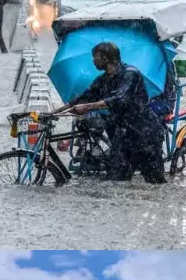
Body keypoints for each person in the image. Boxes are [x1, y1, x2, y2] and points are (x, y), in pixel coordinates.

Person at [51, 42, 168, 184]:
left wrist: (88, 107)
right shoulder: (103, 79)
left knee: (155, 184)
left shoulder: (130, 74)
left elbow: (120, 98)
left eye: (96, 58)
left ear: (106, 58)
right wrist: (56, 112)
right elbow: (84, 96)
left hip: (145, 134)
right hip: (123, 135)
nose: (93, 61)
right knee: (116, 181)